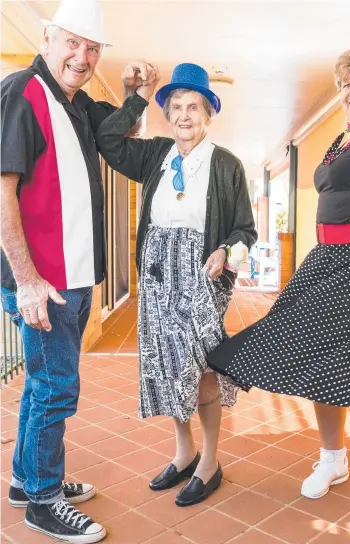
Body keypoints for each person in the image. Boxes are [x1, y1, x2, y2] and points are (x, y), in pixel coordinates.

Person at [207, 46, 350, 513]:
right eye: (345, 85)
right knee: (316, 356)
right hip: (330, 260)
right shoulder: (345, 138)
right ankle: (333, 458)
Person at [0, 0, 146, 540]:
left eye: (91, 48)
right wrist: (29, 280)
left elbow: (120, 135)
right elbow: (2, 189)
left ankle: (26, 478)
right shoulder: (23, 92)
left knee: (44, 385)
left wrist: (136, 96)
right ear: (46, 37)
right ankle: (43, 498)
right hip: (46, 282)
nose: (81, 57)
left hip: (73, 277)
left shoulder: (76, 105)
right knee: (57, 387)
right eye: (71, 43)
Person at [95, 62, 257, 506]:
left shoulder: (226, 165)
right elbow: (108, 139)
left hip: (201, 276)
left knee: (201, 367)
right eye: (177, 107)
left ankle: (210, 462)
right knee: (167, 366)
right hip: (156, 276)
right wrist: (138, 97)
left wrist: (226, 252)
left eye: (194, 107)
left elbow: (246, 230)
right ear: (168, 114)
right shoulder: (156, 156)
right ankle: (184, 453)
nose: (184, 116)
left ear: (208, 114)